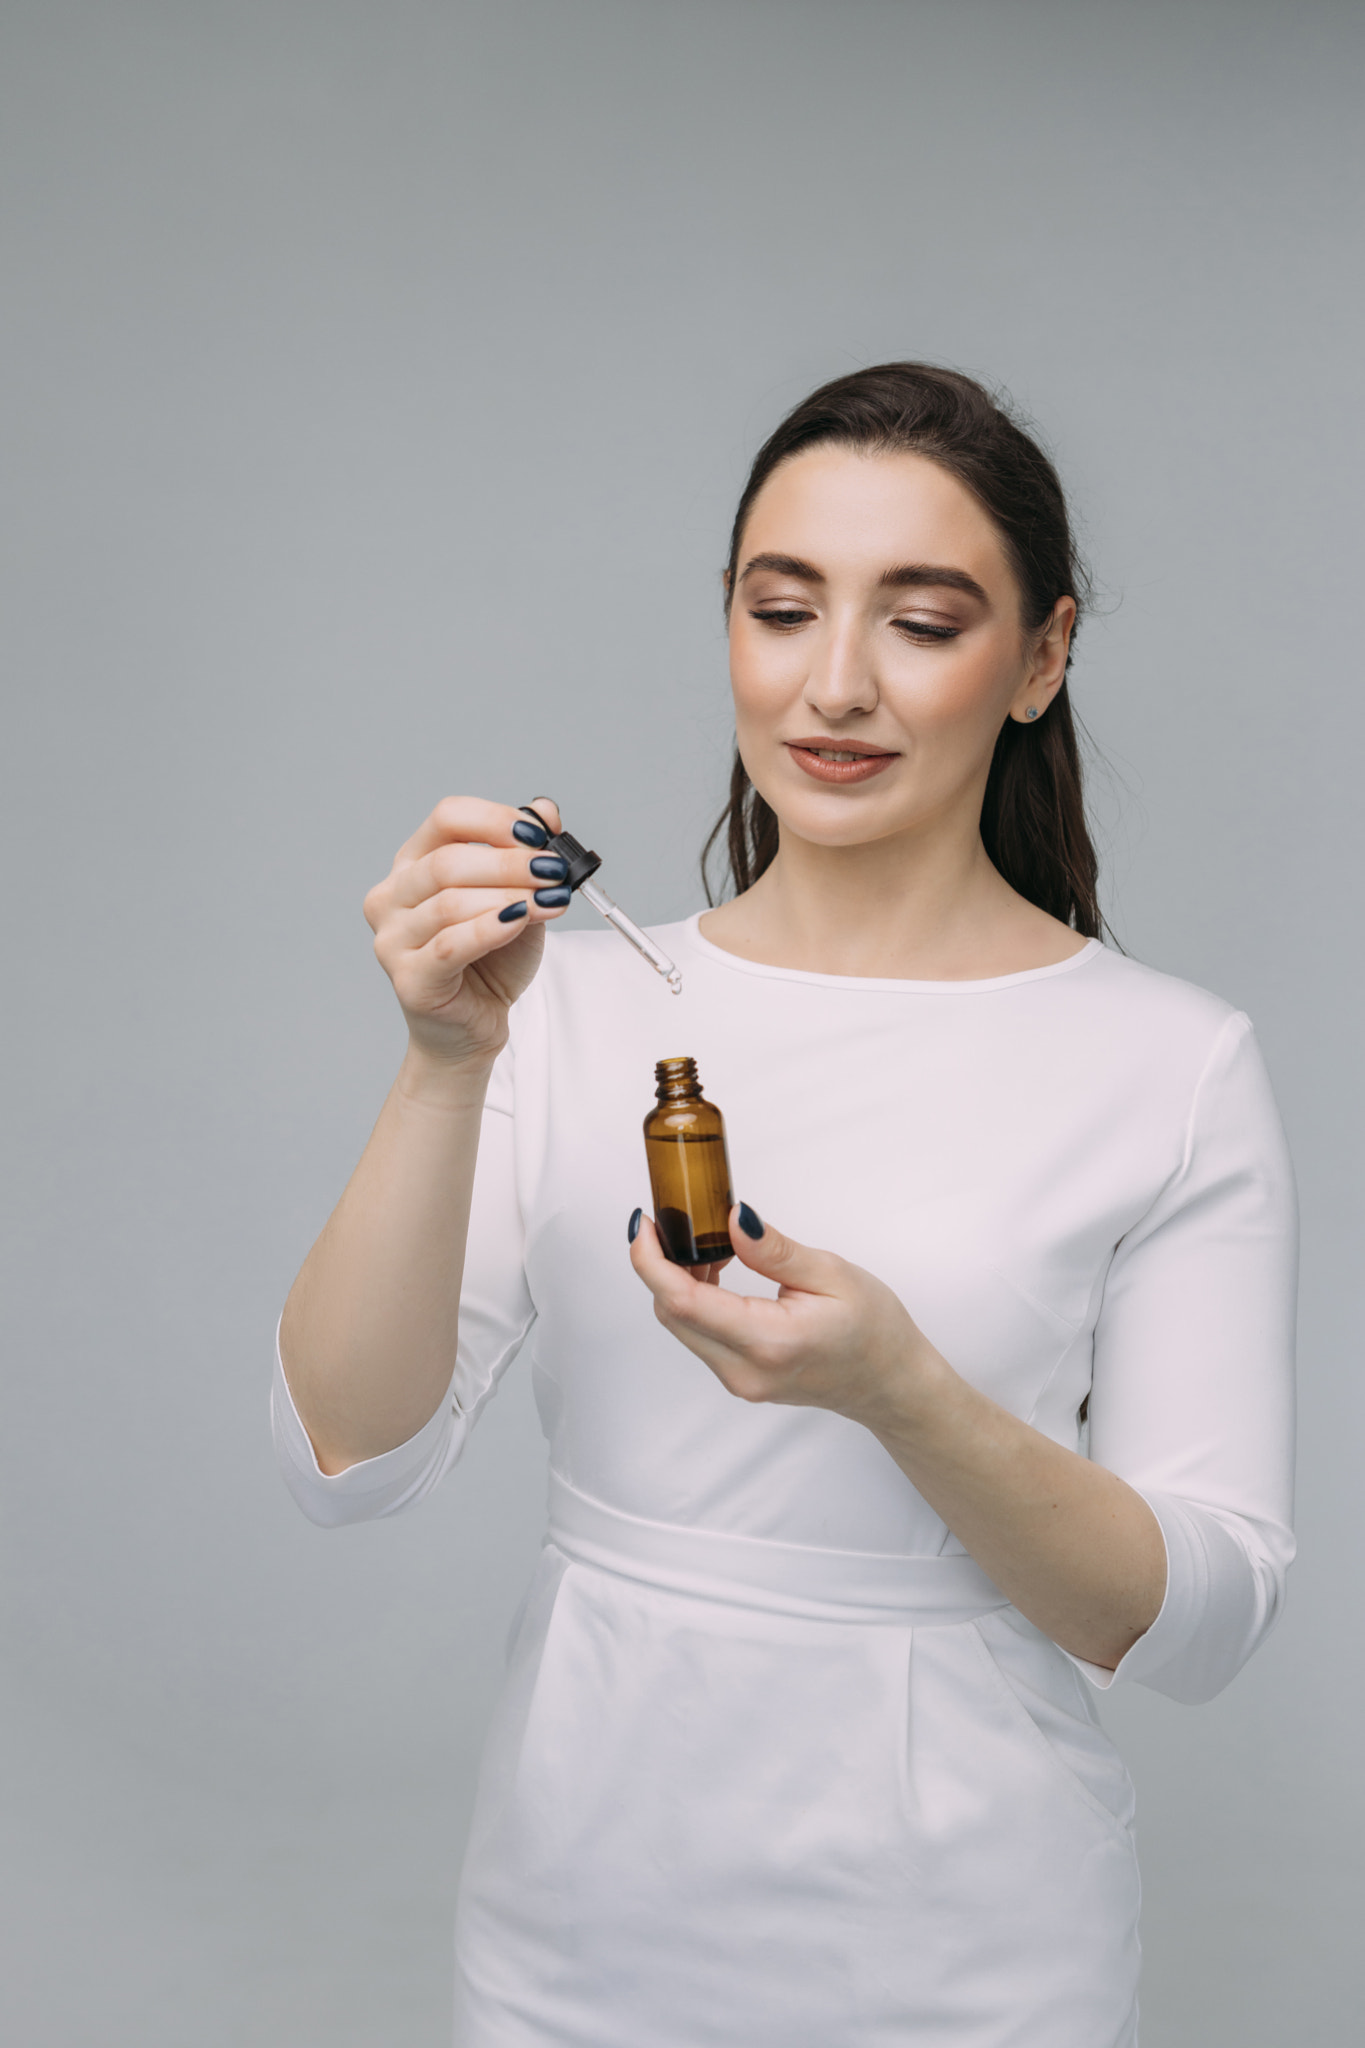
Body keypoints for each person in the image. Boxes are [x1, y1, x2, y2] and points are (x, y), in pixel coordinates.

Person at [273, 363, 1297, 2047]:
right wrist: (446, 1064)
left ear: (1039, 658)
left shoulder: (1166, 1062)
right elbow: (342, 1464)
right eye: (782, 606)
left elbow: (1195, 1621)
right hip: (572, 1925)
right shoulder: (577, 1002)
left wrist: (899, 1395)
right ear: (729, 628)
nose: (834, 685)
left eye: (922, 618)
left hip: (974, 1949)